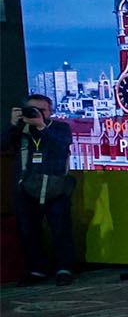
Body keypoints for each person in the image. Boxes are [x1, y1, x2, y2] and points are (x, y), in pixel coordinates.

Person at [5, 94, 75, 285]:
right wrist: (12, 125)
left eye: (42, 110)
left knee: (60, 229)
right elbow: (3, 145)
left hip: (55, 186)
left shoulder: (60, 128)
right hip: (26, 187)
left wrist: (42, 126)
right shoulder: (20, 130)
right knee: (28, 231)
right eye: (32, 110)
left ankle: (64, 269)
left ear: (50, 111)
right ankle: (37, 270)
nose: (37, 114)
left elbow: (60, 147)